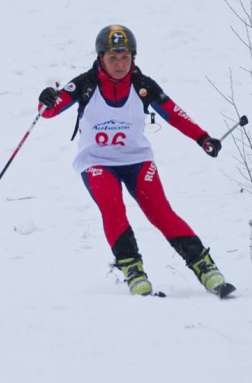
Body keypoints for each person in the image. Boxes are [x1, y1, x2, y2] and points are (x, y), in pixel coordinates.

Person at [37, 25, 234, 297]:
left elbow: (174, 114)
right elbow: (49, 110)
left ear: (133, 57)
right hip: (96, 161)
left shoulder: (142, 85)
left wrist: (203, 138)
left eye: (125, 58)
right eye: (113, 58)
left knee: (161, 213)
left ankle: (205, 266)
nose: (119, 65)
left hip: (136, 160)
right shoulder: (85, 83)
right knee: (113, 207)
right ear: (101, 58)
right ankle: (133, 270)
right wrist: (45, 100)